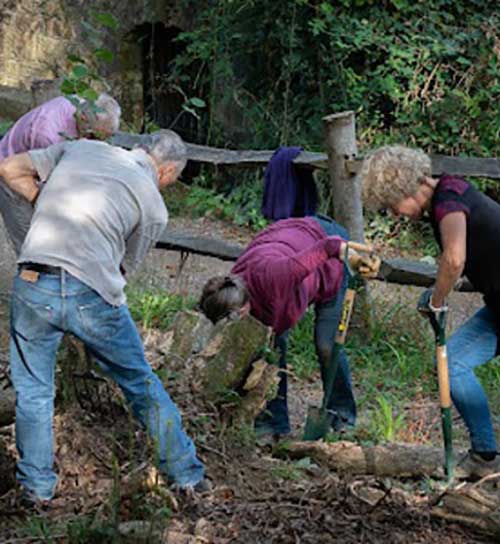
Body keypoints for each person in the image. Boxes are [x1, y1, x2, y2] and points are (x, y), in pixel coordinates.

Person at [0, 129, 207, 505]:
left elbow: (11, 168)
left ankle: (37, 489)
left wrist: (45, 202)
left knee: (33, 391)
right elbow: (122, 269)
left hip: (33, 278)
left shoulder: (82, 148)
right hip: (90, 293)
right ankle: (186, 474)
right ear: (167, 171)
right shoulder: (154, 207)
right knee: (139, 382)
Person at [361, 144, 500, 479]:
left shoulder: (448, 201)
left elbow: (454, 259)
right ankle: (485, 456)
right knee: (452, 365)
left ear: (409, 188)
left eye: (393, 205)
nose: (395, 214)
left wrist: (437, 299)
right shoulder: (451, 193)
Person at [199, 216, 378, 437]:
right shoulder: (227, 290)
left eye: (236, 317)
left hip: (324, 244)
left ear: (245, 303)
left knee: (327, 344)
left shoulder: (274, 276)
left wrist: (350, 253)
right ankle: (273, 424)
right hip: (281, 241)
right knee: (270, 350)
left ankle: (342, 416)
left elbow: (328, 246)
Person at [0, 93, 121, 254]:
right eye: (96, 136)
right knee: (32, 244)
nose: (100, 142)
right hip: (13, 176)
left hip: (41, 172)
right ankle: (31, 275)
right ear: (84, 118)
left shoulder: (81, 102)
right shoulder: (48, 134)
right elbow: (53, 189)